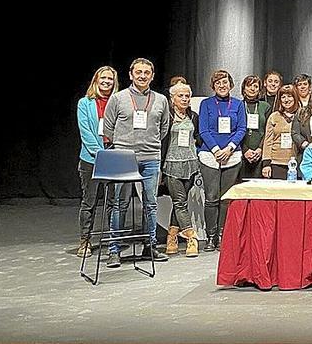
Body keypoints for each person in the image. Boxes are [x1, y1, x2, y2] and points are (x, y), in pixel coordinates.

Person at [102, 58, 171, 267]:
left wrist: (149, 144)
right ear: (131, 74)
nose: (142, 76)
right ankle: (114, 250)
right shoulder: (118, 98)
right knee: (119, 204)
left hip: (151, 157)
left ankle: (150, 246)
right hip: (124, 157)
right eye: (138, 72)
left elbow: (164, 128)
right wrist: (124, 145)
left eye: (147, 73)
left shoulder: (160, 100)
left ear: (152, 75)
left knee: (150, 204)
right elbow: (108, 128)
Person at [197, 69, 247, 252]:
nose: (222, 85)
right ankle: (211, 237)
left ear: (231, 84)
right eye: (218, 82)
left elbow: (242, 128)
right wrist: (217, 150)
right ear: (213, 86)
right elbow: (203, 130)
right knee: (211, 198)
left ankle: (223, 235)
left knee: (226, 199)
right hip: (210, 155)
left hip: (232, 156)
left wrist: (229, 148)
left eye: (225, 82)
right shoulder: (206, 104)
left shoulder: (238, 105)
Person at [75, 66, 118, 258]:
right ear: (96, 80)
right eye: (103, 78)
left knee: (113, 202)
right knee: (89, 202)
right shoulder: (84, 103)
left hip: (113, 157)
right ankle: (85, 241)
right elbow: (86, 133)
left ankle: (112, 242)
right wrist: (100, 153)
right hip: (91, 159)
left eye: (110, 78)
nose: (107, 81)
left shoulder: (117, 102)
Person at [161, 82, 202, 257]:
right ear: (172, 98)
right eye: (180, 96)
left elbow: (198, 137)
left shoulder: (193, 116)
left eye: (187, 96)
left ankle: (172, 237)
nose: (184, 99)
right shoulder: (167, 116)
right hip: (172, 164)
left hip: (191, 164)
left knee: (181, 203)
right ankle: (191, 237)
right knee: (179, 202)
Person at [262, 84, 300, 179]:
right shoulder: (274, 116)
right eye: (283, 97)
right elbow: (268, 141)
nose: (286, 100)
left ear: (295, 97)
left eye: (289, 96)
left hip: (297, 162)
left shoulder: (302, 115)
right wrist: (266, 164)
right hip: (276, 162)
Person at [240, 75, 270, 179]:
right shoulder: (237, 105)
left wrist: (260, 149)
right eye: (249, 86)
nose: (252, 89)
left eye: (255, 86)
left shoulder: (265, 106)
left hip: (259, 153)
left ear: (259, 90)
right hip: (241, 153)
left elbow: (268, 131)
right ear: (244, 88)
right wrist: (245, 150)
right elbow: (234, 130)